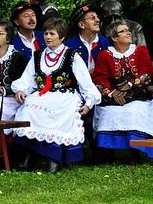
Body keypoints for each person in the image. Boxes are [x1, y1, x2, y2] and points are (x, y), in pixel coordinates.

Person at [12, 18, 101, 173]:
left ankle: (54, 157)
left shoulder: (71, 56)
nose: (47, 37)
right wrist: (20, 90)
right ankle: (30, 155)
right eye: (46, 33)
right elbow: (27, 79)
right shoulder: (38, 55)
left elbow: (86, 83)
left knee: (56, 111)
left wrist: (88, 104)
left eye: (52, 34)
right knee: (29, 108)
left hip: (65, 95)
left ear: (62, 37)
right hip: (41, 95)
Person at [91, 20, 153, 162]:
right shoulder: (105, 55)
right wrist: (112, 93)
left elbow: (147, 72)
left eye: (128, 30)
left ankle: (135, 151)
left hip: (138, 94)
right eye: (123, 31)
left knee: (135, 110)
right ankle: (108, 152)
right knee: (109, 112)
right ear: (114, 38)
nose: (128, 32)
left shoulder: (140, 50)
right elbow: (99, 78)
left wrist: (130, 84)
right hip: (113, 95)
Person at [0, 21, 28, 155]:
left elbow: (25, 83)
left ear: (8, 38)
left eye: (0, 33)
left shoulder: (18, 57)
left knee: (0, 107)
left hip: (10, 99)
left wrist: (3, 89)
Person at [65, 4, 110, 73]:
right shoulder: (69, 45)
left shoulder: (105, 43)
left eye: (97, 17)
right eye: (92, 18)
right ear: (81, 25)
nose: (98, 20)